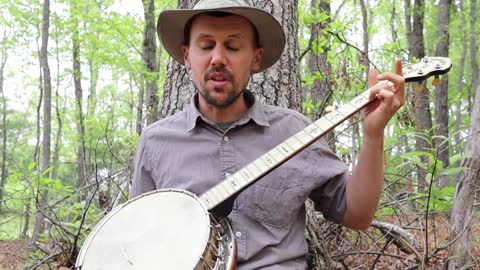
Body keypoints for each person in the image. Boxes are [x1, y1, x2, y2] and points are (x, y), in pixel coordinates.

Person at [129, 0, 405, 269]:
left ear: (256, 58)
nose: (218, 58)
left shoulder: (297, 132)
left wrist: (373, 134)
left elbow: (357, 215)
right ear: (188, 55)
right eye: (206, 46)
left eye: (233, 46)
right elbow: (138, 245)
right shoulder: (155, 142)